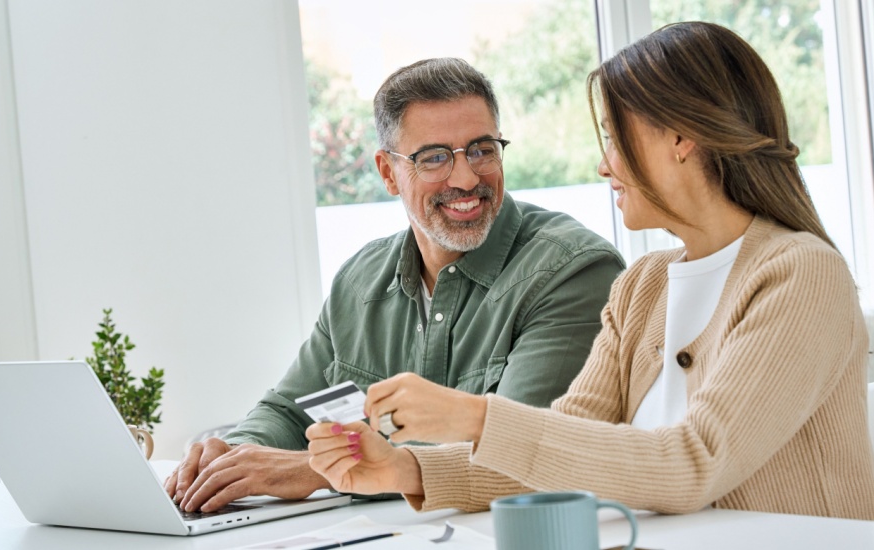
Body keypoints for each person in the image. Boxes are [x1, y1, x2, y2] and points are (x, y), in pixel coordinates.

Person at [306, 22, 874, 521]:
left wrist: (473, 416)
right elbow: (561, 453)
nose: (604, 163)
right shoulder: (643, 286)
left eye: (614, 135)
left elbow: (694, 463)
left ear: (682, 138)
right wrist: (404, 468)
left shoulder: (802, 274)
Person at [164, 58, 626, 513]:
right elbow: (288, 411)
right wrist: (232, 457)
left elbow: (524, 453)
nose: (466, 178)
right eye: (434, 158)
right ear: (388, 173)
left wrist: (313, 469)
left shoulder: (572, 271)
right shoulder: (359, 280)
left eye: (483, 149)